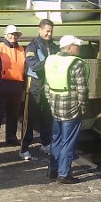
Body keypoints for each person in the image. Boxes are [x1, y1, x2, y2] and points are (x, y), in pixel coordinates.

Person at [44, 35, 90, 184]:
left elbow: (47, 85)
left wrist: (51, 102)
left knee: (56, 139)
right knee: (68, 141)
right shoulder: (76, 64)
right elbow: (82, 89)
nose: (79, 48)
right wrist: (83, 107)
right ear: (69, 47)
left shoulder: (51, 60)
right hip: (71, 109)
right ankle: (64, 174)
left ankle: (54, 170)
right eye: (77, 46)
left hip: (55, 107)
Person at [21, 19, 59, 160]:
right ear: (40, 30)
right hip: (34, 85)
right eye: (47, 31)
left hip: (48, 85)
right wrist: (51, 61)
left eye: (51, 31)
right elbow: (34, 65)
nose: (49, 33)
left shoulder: (55, 47)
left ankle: (46, 143)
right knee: (29, 117)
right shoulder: (32, 46)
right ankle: (24, 148)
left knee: (47, 116)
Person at [0, 24, 26, 148]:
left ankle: (11, 137)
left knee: (13, 114)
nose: (13, 36)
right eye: (11, 34)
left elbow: (24, 68)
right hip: (0, 87)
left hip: (16, 87)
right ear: (6, 35)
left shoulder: (21, 50)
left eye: (15, 34)